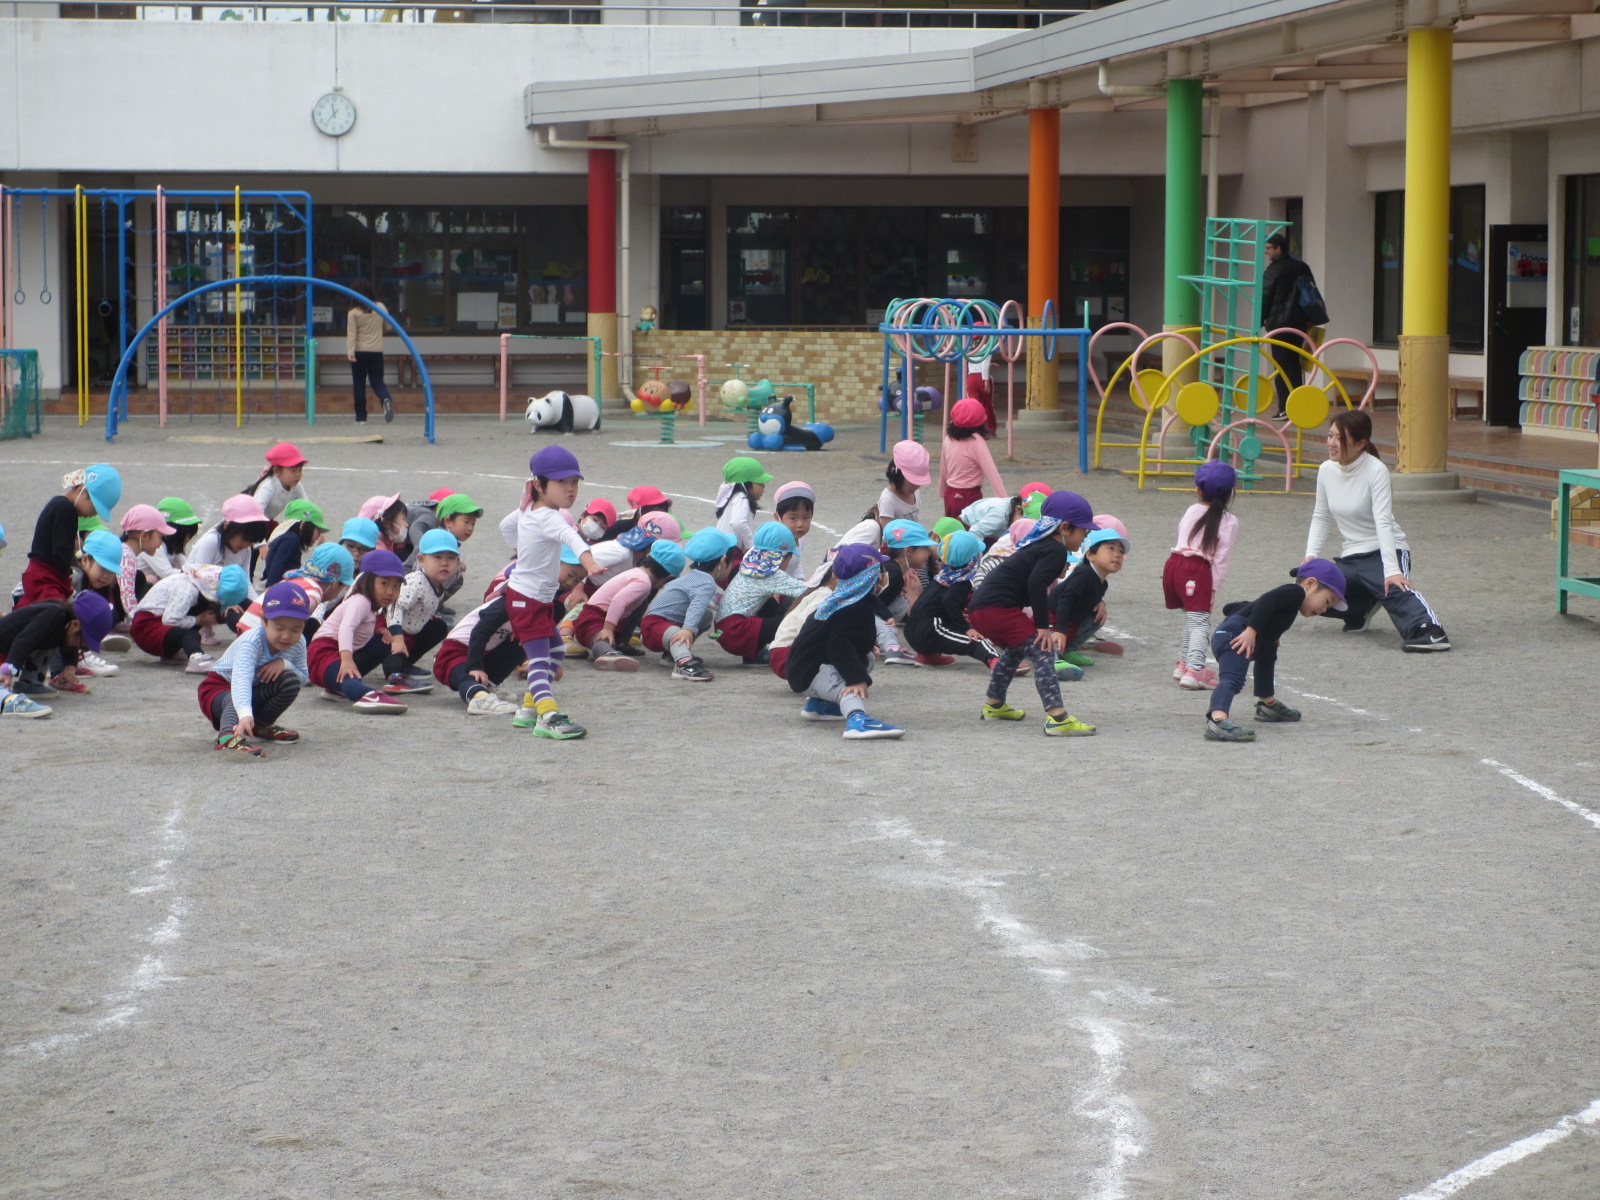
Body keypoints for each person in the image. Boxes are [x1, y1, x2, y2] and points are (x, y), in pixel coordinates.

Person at [1305, 408, 1451, 652]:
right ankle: (1360, 609)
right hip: (1351, 557)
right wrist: (1310, 555)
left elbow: (1383, 522)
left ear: (1361, 443)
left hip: (1386, 550)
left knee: (1394, 588)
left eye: (1340, 438)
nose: (1332, 443)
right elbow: (1321, 516)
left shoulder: (1376, 471)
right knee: (1308, 591)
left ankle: (1429, 631)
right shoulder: (1326, 470)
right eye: (1330, 435)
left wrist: (1392, 570)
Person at [968, 490, 1100, 737]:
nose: (1086, 536)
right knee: (1044, 650)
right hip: (997, 609)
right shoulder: (1055, 550)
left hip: (982, 609)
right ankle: (1058, 717)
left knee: (1016, 650)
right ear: (1064, 528)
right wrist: (1042, 627)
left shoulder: (1041, 545)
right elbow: (1035, 585)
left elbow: (1032, 581)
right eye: (1084, 531)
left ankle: (995, 704)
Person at [497, 445, 603, 738]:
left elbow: (506, 526)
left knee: (556, 650)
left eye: (574, 482)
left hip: (534, 597)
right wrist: (589, 562)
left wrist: (521, 552)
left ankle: (529, 709)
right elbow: (572, 537)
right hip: (526, 600)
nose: (570, 489)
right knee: (540, 659)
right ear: (538, 485)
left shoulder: (530, 509)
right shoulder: (551, 517)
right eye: (561, 482)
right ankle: (548, 716)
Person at [1205, 557, 1346, 742]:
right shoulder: (1295, 592)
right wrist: (1251, 630)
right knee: (1233, 678)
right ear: (1311, 584)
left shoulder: (1293, 601)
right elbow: (1267, 601)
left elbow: (1237, 607)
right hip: (1236, 635)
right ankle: (1218, 719)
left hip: (1236, 631)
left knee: (1268, 653)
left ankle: (1267, 703)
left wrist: (1270, 635)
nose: (1325, 609)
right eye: (1327, 600)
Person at [784, 543, 905, 740]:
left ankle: (820, 706)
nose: (884, 575)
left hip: (805, 667)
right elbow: (838, 645)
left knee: (867, 658)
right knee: (850, 686)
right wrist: (856, 679)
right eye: (880, 571)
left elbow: (836, 638)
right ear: (872, 577)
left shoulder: (841, 600)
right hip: (810, 671)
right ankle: (857, 720)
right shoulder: (854, 609)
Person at [197, 581, 313, 758]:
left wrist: (284, 663)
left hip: (251, 692)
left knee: (290, 680)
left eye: (296, 629)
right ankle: (227, 736)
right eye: (279, 628)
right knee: (232, 697)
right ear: (263, 620)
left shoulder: (299, 642)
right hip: (218, 689)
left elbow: (304, 678)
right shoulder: (251, 642)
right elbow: (240, 681)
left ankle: (260, 726)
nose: (287, 636)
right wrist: (244, 714)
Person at [305, 549, 410, 713]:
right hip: (323, 652)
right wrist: (346, 658)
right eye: (384, 583)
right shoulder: (361, 600)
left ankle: (335, 689)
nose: (390, 591)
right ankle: (365, 694)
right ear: (367, 580)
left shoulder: (369, 606)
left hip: (337, 653)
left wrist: (379, 630)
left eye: (396, 586)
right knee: (349, 679)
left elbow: (361, 626)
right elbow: (346, 627)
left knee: (383, 643)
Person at [1164, 460, 1239, 690]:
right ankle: (1195, 669)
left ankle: (1184, 663)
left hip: (1173, 565)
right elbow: (1221, 560)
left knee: (1192, 618)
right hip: (1196, 571)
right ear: (1231, 493)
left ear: (1198, 490)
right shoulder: (1229, 521)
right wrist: (1213, 588)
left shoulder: (1192, 510)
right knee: (1200, 622)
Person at [641, 527, 738, 682]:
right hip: (654, 627)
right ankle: (684, 665)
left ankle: (672, 655)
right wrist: (687, 630)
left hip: (660, 624)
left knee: (705, 616)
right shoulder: (706, 582)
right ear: (722, 561)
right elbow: (696, 607)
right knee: (683, 629)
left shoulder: (694, 576)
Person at [572, 539, 686, 672]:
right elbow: (618, 601)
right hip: (593, 619)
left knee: (641, 603)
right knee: (601, 639)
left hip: (601, 616)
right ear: (668, 577)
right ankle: (607, 654)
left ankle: (619, 644)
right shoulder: (643, 583)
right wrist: (608, 629)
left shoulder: (637, 573)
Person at [20, 464, 121, 606]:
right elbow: (61, 552)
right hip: (45, 576)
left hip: (45, 573)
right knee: (54, 611)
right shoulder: (66, 509)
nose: (93, 514)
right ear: (81, 490)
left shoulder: (61, 505)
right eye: (94, 508)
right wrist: (68, 579)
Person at [714, 521, 811, 663]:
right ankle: (787, 655)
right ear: (784, 557)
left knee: (770, 604)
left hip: (723, 628)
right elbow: (807, 592)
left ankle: (753, 654)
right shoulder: (772, 574)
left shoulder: (751, 565)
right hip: (736, 632)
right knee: (792, 621)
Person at [380, 528, 462, 692]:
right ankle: (395, 677)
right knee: (394, 649)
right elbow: (394, 606)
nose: (444, 563)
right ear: (421, 560)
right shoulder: (416, 581)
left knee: (438, 627)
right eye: (437, 557)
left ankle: (405, 665)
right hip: (387, 630)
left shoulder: (438, 582)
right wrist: (397, 638)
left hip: (410, 630)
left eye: (451, 558)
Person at [130, 563, 249, 674]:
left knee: (200, 612)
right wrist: (198, 620)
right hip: (145, 627)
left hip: (154, 623)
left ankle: (172, 654)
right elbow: (169, 620)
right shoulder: (188, 590)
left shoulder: (197, 582)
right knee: (190, 635)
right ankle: (196, 657)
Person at [0, 592, 112, 706]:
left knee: (51, 646)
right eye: (83, 641)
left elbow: (71, 645)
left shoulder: (66, 624)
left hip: (12, 649)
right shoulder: (54, 614)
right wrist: (8, 671)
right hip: (4, 647)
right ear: (75, 624)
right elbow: (23, 641)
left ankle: (30, 683)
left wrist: (70, 667)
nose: (82, 646)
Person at [903, 529, 995, 667]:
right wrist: (966, 628)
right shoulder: (962, 581)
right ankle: (999, 662)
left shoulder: (943, 575)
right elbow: (949, 602)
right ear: (972, 559)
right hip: (929, 631)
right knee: (977, 641)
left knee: (943, 623)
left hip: (912, 631)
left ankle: (928, 656)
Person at [1048, 529, 1126, 682]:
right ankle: (1053, 662)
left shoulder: (1102, 583)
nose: (1117, 555)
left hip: (1070, 620)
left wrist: (1100, 603)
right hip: (1051, 618)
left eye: (1121, 552)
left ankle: (1069, 650)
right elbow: (1065, 600)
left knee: (1097, 616)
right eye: (1111, 548)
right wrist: (1060, 630)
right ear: (1090, 555)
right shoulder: (1084, 574)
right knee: (1051, 641)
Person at [236, 542, 353, 640]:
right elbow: (293, 618)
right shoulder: (314, 592)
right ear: (335, 583)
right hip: (258, 638)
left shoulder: (297, 578)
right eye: (343, 588)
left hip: (245, 630)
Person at [189, 494, 272, 628]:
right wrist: (225, 602)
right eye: (244, 539)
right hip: (197, 599)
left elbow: (245, 581)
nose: (246, 545)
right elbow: (199, 580)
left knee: (253, 610)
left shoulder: (245, 549)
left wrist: (257, 605)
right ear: (227, 526)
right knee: (234, 612)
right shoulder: (211, 542)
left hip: (221, 597)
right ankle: (204, 628)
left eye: (251, 541)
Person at [1261, 232, 1315, 419]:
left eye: (1269, 248)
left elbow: (1264, 298)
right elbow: (1312, 292)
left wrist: (1259, 322)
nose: (1266, 252)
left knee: (1281, 366)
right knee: (1294, 364)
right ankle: (1297, 404)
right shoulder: (1301, 266)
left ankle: (1285, 407)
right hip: (1300, 323)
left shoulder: (1274, 271)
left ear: (1279, 249)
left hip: (1279, 324)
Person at [939, 398, 1009, 519]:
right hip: (969, 496)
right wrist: (1006, 503)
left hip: (950, 494)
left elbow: (943, 469)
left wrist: (943, 491)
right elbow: (992, 472)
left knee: (951, 533)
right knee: (972, 535)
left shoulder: (948, 439)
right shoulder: (976, 442)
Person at [347, 279, 395, 424]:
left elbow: (352, 334)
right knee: (377, 381)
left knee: (359, 383)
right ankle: (385, 398)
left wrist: (350, 352)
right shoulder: (380, 307)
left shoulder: (353, 312)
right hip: (376, 350)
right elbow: (389, 327)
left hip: (359, 351)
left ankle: (361, 417)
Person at [260, 499, 328, 588]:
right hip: (277, 590)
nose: (319, 535)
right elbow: (277, 566)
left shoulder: (288, 538)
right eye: (318, 530)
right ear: (304, 524)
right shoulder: (291, 540)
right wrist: (271, 590)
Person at [714, 456, 772, 553]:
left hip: (723, 548)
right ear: (746, 484)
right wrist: (751, 544)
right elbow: (738, 523)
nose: (763, 486)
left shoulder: (732, 497)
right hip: (730, 552)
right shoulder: (741, 498)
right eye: (760, 483)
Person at [243, 442, 311, 523]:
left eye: (300, 470)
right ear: (277, 471)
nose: (298, 475)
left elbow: (306, 507)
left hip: (266, 521)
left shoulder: (295, 484)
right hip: (247, 523)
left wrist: (309, 523)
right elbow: (255, 513)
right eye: (293, 471)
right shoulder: (268, 486)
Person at [142, 497, 203, 582]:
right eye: (187, 535)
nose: (188, 539)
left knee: (175, 565)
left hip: (154, 576)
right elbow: (167, 574)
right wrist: (197, 574)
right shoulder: (153, 544)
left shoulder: (172, 544)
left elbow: (185, 565)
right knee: (152, 579)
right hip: (137, 584)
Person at [772, 481, 815, 581]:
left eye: (806, 517)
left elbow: (796, 561)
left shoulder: (799, 538)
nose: (800, 524)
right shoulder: (775, 542)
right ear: (777, 517)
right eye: (793, 518)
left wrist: (801, 578)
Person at [881, 441, 929, 521]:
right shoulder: (888, 500)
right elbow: (887, 531)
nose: (916, 486)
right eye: (912, 482)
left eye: (919, 482)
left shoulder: (914, 492)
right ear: (897, 475)